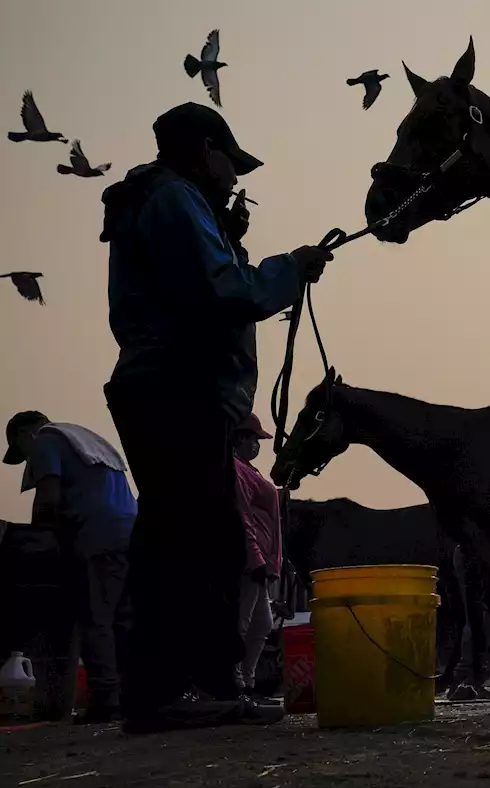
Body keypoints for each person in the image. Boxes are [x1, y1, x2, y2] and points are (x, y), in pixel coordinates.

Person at [99, 102, 333, 733]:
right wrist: (290, 266)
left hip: (164, 388)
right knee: (200, 540)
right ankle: (192, 688)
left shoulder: (158, 200)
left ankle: (163, 692)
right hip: (177, 388)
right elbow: (225, 291)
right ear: (206, 150)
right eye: (232, 163)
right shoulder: (175, 200)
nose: (236, 178)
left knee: (174, 535)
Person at [3, 411, 136, 723]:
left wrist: (37, 536)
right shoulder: (85, 441)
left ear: (25, 434)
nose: (26, 459)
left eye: (20, 451)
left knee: (96, 619)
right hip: (129, 532)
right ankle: (132, 696)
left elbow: (48, 497)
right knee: (123, 621)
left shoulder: (45, 440)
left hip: (97, 536)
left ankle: (106, 700)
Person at [231, 413, 282, 703]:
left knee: (261, 624)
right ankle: (236, 681)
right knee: (243, 622)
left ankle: (247, 682)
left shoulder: (249, 471)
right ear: (239, 437)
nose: (256, 445)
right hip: (252, 561)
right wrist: (257, 560)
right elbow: (244, 519)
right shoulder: (237, 471)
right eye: (253, 439)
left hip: (260, 561)